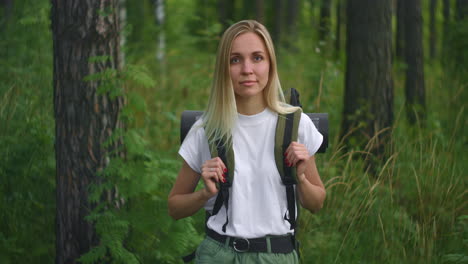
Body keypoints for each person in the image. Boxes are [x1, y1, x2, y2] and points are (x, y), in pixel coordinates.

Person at [168, 20, 326, 263]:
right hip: (219, 253)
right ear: (224, 68)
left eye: (257, 58)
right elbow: (175, 208)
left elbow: (316, 204)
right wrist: (204, 195)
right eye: (235, 60)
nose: (247, 69)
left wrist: (301, 178)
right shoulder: (207, 130)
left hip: (277, 255)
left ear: (270, 64)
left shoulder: (295, 125)